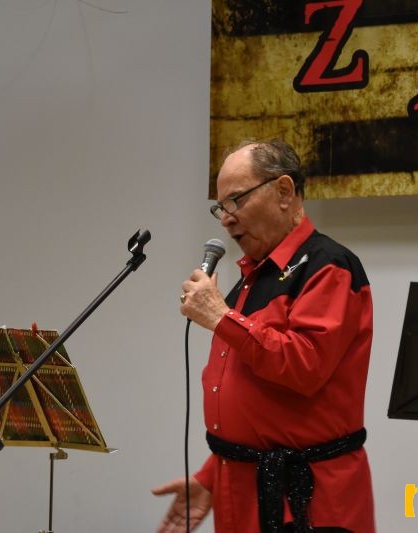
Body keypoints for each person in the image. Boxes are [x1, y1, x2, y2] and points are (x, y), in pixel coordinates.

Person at [153, 139, 375, 533]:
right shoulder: (253, 277)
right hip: (242, 488)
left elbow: (304, 366)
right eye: (221, 207)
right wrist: (211, 476)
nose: (226, 220)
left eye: (236, 200)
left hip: (310, 500)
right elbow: (259, 405)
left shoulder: (328, 266)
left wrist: (220, 316)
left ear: (284, 192)